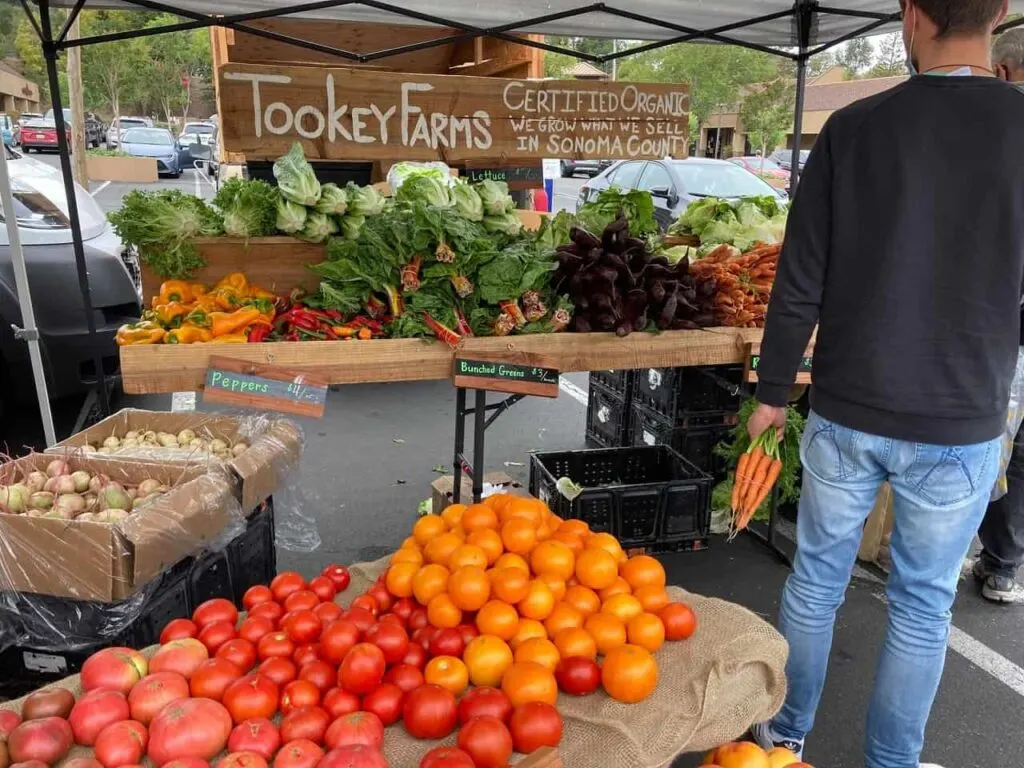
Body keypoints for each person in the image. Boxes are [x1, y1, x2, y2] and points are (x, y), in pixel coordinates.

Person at [746, 1, 1024, 767]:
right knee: (921, 608)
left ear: (909, 17)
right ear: (999, 14)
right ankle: (890, 764)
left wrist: (772, 392)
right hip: (959, 416)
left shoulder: (855, 129)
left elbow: (799, 278)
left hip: (847, 407)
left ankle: (784, 738)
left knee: (815, 583)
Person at [973, 28, 1024, 604]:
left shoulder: (993, 138)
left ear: (1005, 72)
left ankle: (985, 552)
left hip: (1005, 339)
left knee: (993, 451)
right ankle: (1003, 562)